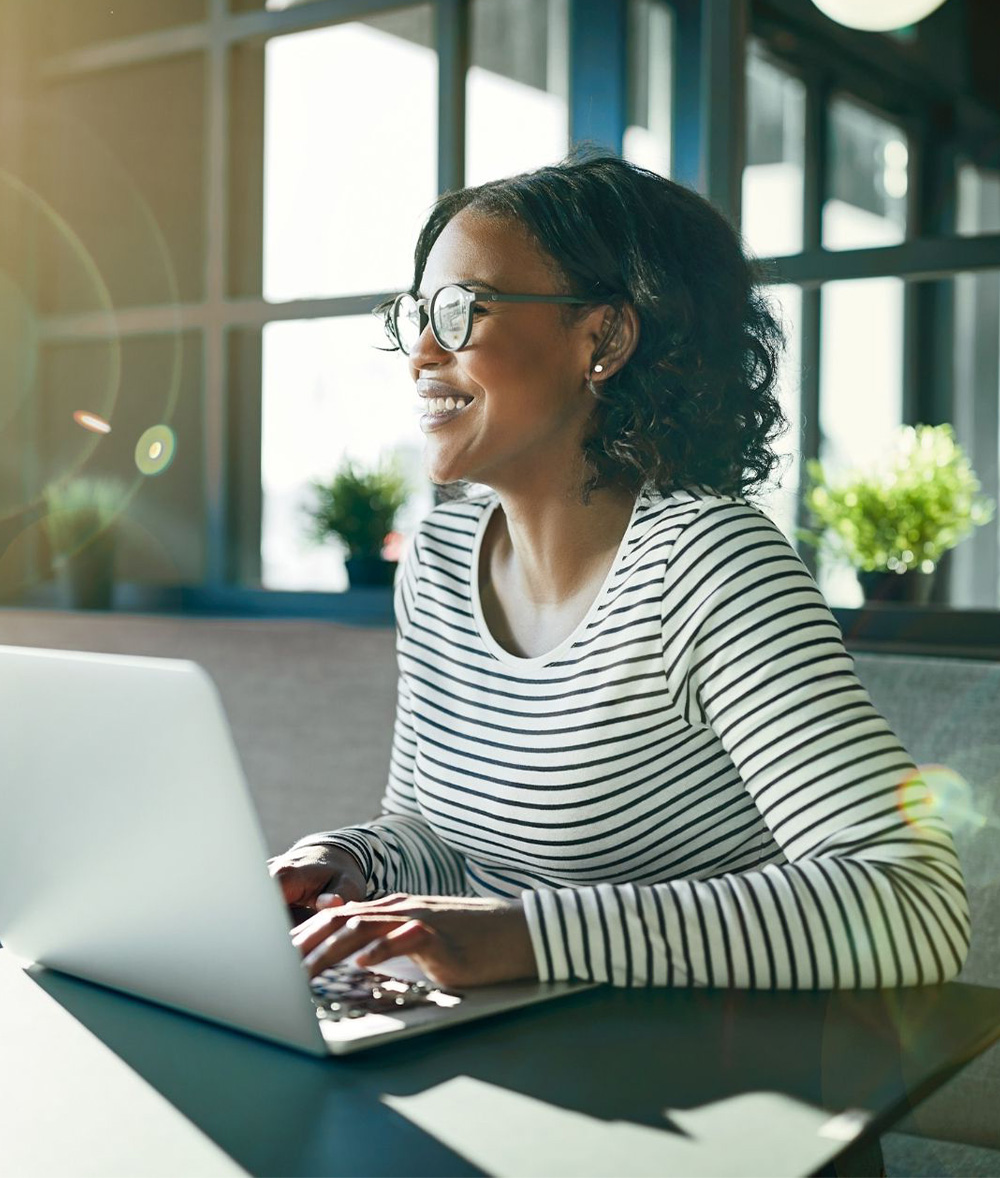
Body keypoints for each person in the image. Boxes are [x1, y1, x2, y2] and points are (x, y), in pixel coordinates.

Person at [270, 152, 969, 994]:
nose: (420, 351)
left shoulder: (711, 564)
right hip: (506, 1049)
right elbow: (436, 831)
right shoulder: (440, 560)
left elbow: (911, 900)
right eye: (417, 313)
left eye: (461, 312)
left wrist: (527, 936)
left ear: (603, 338)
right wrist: (346, 861)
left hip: (712, 1079)